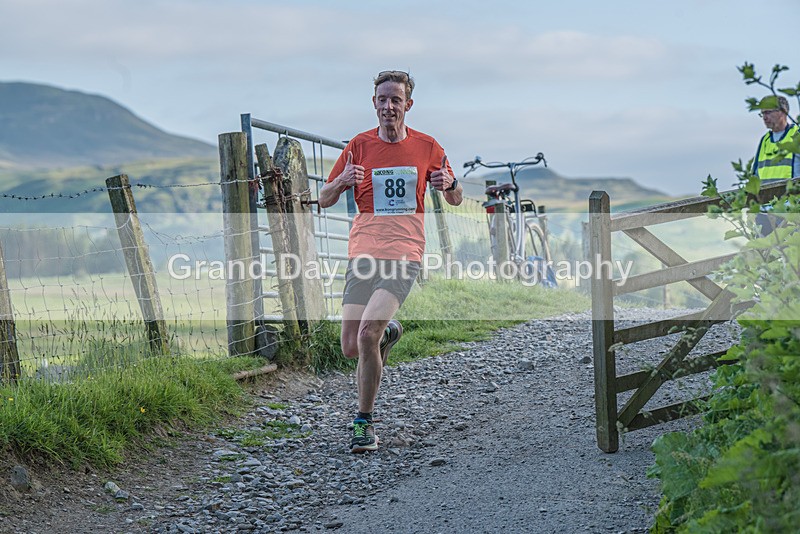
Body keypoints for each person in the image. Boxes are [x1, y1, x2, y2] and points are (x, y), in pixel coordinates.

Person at [318, 70, 463, 453]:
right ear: (374, 104)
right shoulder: (358, 146)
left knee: (367, 334)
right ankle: (391, 332)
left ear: (408, 105)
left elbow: (456, 197)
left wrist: (448, 184)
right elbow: (323, 198)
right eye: (382, 99)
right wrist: (342, 180)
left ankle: (363, 423)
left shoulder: (428, 147)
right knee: (351, 345)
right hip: (363, 252)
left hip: (404, 253)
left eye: (395, 100)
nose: (388, 106)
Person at [751, 95, 799, 235]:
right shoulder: (765, 140)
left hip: (790, 210)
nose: (764, 117)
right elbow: (755, 175)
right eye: (762, 113)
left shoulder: (797, 135)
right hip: (765, 212)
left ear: (783, 112)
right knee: (765, 254)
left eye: (768, 112)